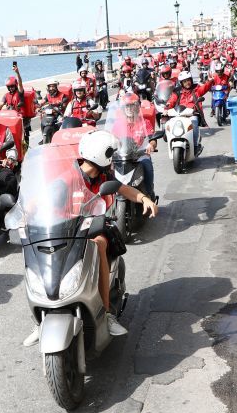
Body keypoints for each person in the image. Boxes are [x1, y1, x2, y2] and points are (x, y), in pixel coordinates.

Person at [23, 130, 158, 346]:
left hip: (92, 229)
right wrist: (25, 213)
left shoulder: (103, 178)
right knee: (38, 258)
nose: (113, 160)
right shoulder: (69, 177)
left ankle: (107, 314)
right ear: (102, 156)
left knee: (99, 244)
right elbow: (41, 199)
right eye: (110, 155)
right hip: (66, 231)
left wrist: (144, 198)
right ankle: (39, 319)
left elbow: (123, 189)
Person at [166, 70, 211, 155]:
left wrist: (210, 81)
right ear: (181, 83)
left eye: (188, 80)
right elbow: (171, 101)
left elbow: (204, 88)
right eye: (185, 81)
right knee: (169, 123)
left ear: (191, 80)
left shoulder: (196, 89)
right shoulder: (177, 91)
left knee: (194, 122)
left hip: (192, 114)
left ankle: (195, 146)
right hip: (179, 114)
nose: (187, 83)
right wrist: (166, 109)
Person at [0, 63, 31, 144]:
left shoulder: (20, 93)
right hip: (10, 118)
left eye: (12, 86)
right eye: (9, 87)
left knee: (23, 137)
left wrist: (17, 72)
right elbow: (0, 105)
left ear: (15, 85)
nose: (11, 88)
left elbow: (20, 83)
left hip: (21, 118)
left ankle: (24, 145)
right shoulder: (6, 95)